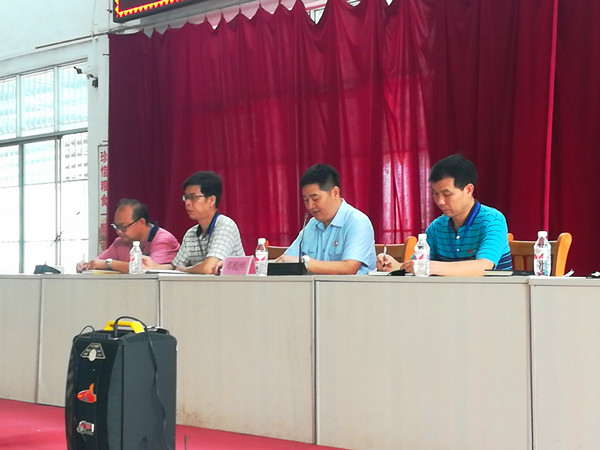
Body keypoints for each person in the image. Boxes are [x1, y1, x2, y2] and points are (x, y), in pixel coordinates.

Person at [377, 154, 512, 276]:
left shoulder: (492, 220)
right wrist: (397, 266)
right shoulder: (437, 227)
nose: (440, 201)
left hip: (492, 293)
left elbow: (483, 267)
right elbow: (420, 265)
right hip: (450, 294)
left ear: (468, 190)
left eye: (447, 194)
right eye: (436, 194)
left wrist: (432, 267)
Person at [275, 164, 376, 274]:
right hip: (313, 285)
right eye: (306, 200)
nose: (310, 206)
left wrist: (305, 262)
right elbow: (287, 259)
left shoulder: (357, 222)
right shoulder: (312, 225)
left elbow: (349, 268)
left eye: (315, 199)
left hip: (349, 285)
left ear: (335, 193)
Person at [143, 171, 244, 274]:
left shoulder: (225, 226)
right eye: (186, 197)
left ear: (211, 200)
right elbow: (175, 267)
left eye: (193, 197)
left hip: (232, 284)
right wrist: (155, 267)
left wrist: (186, 270)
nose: (187, 203)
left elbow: (209, 268)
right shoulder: (191, 233)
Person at [77, 198, 180, 273]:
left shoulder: (163, 240)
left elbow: (148, 270)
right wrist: (86, 265)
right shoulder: (120, 242)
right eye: (116, 226)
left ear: (141, 222)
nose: (119, 231)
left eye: (123, 227)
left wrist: (108, 264)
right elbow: (98, 262)